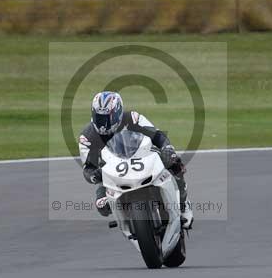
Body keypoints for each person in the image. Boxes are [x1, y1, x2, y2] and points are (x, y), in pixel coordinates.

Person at [78, 91, 193, 229]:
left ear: (118, 113)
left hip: (143, 156)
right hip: (112, 172)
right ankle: (127, 222)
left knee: (174, 164)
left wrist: (167, 148)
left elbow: (157, 135)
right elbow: (88, 168)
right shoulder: (87, 137)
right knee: (101, 205)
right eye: (100, 118)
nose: (104, 125)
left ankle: (183, 204)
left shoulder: (133, 118)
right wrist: (93, 176)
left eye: (108, 118)